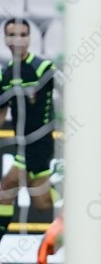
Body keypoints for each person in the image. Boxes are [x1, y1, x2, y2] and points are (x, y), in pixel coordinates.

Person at [0, 18, 57, 245]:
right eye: (12, 35)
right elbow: (2, 112)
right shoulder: (5, 75)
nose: (18, 40)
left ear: (30, 38)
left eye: (23, 35)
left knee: (6, 188)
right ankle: (85, 194)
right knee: (42, 203)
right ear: (5, 39)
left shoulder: (43, 68)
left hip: (40, 142)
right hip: (22, 143)